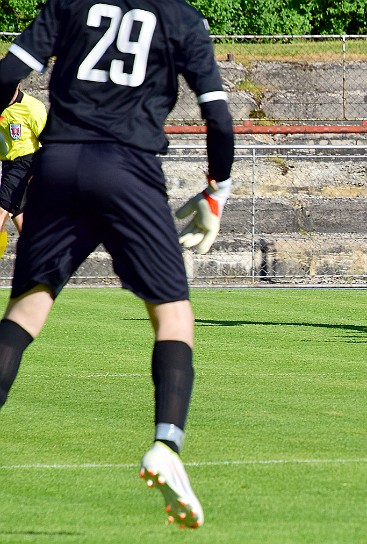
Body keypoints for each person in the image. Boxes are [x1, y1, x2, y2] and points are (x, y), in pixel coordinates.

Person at [0, 0, 235, 529]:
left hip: (57, 164)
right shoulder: (180, 16)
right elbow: (217, 116)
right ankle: (166, 445)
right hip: (128, 166)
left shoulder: (68, 2)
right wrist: (217, 189)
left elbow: (7, 74)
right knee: (173, 316)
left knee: (25, 313)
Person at [0, 84, 47, 258]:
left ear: (18, 85)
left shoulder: (32, 108)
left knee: (1, 211)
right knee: (20, 219)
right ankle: (40, 261)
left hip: (25, 163)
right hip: (7, 164)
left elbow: (47, 142)